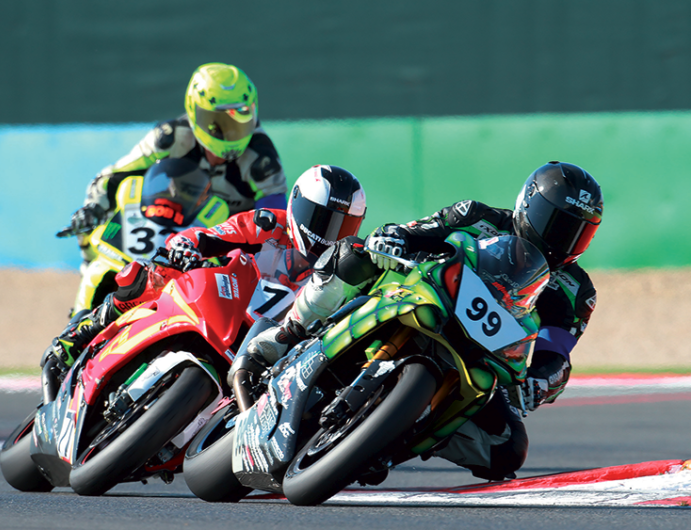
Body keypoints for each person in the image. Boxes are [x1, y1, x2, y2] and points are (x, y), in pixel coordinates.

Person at [242, 161, 603, 481]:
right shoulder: (477, 216)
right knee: (353, 254)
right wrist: (395, 237)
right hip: (420, 298)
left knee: (508, 449)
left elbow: (556, 351)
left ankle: (394, 438)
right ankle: (289, 333)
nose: (562, 239)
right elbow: (416, 230)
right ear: (529, 205)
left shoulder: (576, 292)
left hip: (478, 354)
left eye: (577, 231)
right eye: (556, 223)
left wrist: (542, 381)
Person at [47, 165, 367, 369]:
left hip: (267, 343)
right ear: (298, 205)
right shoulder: (269, 223)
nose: (328, 235)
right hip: (223, 301)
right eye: (322, 220)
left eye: (343, 227)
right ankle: (83, 332)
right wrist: (187, 247)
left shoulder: (336, 274)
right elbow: (211, 235)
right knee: (155, 274)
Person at [68, 62, 288, 264]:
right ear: (194, 112)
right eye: (218, 122)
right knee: (91, 226)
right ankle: (89, 272)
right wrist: (93, 208)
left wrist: (244, 257)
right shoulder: (170, 138)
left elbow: (272, 224)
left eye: (240, 117)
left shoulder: (262, 159)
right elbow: (115, 177)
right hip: (164, 231)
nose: (231, 132)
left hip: (224, 249)